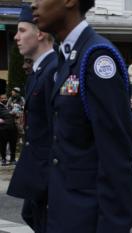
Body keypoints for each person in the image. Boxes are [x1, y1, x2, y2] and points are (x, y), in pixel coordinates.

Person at [31, 0, 132, 232]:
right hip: (65, 212)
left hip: (87, 216)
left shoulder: (96, 56)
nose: (33, 4)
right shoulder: (68, 56)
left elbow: (116, 155)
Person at [6, 6, 57, 233]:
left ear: (40, 33)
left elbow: (58, 133)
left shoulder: (54, 70)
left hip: (50, 181)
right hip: (39, 178)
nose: (16, 37)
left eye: (22, 30)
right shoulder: (38, 72)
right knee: (31, 215)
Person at [0, 94, 17, 166]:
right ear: (0, 99)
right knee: (2, 144)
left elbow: (17, 114)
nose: (4, 99)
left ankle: (12, 159)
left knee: (13, 144)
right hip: (3, 128)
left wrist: (16, 113)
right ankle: (3, 159)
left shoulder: (10, 106)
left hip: (12, 128)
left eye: (5, 98)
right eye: (2, 98)